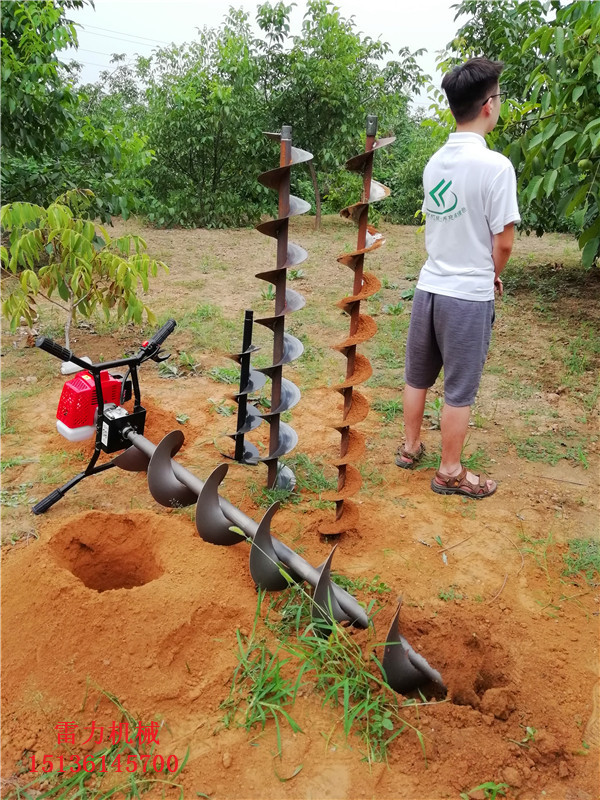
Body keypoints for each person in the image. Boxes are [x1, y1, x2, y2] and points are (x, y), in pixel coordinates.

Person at [395, 57, 520, 498]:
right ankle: (450, 471)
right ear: (488, 105)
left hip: (429, 287)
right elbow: (502, 244)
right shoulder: (496, 168)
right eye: (499, 97)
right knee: (459, 389)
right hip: (467, 295)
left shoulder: (435, 163)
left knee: (417, 376)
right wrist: (490, 276)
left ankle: (410, 447)